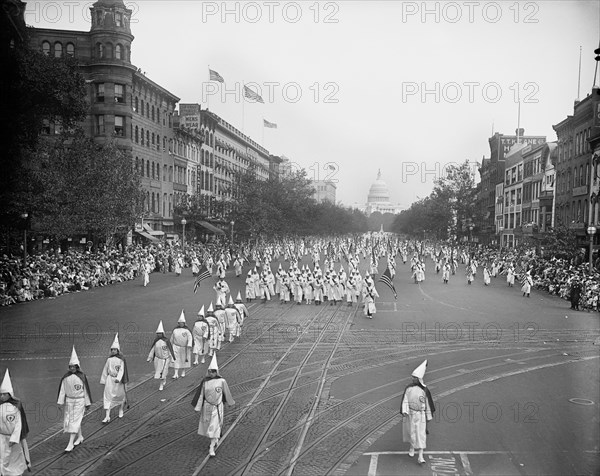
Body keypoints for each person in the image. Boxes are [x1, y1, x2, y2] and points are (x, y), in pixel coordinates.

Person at [191, 355, 235, 457]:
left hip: (217, 407)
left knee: (214, 426)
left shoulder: (222, 381)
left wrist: (230, 402)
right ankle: (215, 440)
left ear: (217, 372)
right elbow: (201, 395)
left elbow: (226, 392)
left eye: (213, 371)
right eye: (210, 371)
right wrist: (197, 407)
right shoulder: (205, 382)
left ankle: (211, 447)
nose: (211, 373)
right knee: (209, 426)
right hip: (207, 407)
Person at [57, 347, 92, 451]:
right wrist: (60, 402)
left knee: (74, 421)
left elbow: (86, 390)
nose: (72, 368)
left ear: (77, 367)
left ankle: (70, 443)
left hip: (79, 401)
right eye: (70, 367)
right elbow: (62, 390)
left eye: (74, 367)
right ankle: (80, 437)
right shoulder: (65, 377)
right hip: (69, 401)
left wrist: (87, 403)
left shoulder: (82, 377)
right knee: (73, 420)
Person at [401, 360, 435, 465]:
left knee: (421, 434)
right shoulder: (408, 389)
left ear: (419, 379)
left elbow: (428, 404)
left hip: (420, 415)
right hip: (411, 413)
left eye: (414, 377)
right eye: (412, 377)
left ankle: (420, 456)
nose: (412, 379)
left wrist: (428, 416)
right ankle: (412, 447)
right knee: (411, 432)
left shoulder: (424, 390)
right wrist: (405, 410)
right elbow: (405, 400)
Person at [0, 369, 31, 474]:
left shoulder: (16, 406)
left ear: (9, 394)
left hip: (12, 438)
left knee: (14, 458)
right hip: (2, 437)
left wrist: (14, 438)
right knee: (3, 459)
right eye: (1, 394)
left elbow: (19, 424)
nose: (2, 396)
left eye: (4, 394)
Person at [100, 334, 129, 423]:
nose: (113, 351)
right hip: (110, 380)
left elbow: (122, 370)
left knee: (120, 396)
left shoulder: (121, 360)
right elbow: (105, 369)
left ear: (118, 350)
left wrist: (119, 378)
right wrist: (104, 380)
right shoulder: (109, 360)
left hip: (118, 381)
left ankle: (120, 409)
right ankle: (107, 416)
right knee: (107, 396)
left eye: (115, 350)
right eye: (112, 350)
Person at [147, 320, 175, 391]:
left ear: (163, 333)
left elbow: (170, 350)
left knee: (163, 371)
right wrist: (150, 357)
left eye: (160, 333)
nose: (159, 335)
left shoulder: (166, 341)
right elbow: (153, 350)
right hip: (157, 359)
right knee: (159, 372)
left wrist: (172, 359)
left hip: (165, 359)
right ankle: (164, 379)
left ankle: (161, 384)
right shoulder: (156, 341)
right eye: (158, 333)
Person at [170, 310, 193, 379]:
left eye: (182, 323)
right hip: (176, 346)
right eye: (180, 323)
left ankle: (183, 371)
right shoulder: (175, 330)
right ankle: (176, 373)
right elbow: (172, 338)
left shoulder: (187, 330)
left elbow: (190, 337)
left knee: (183, 359)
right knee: (175, 359)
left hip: (184, 347)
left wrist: (189, 344)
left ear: (184, 323)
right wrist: (170, 345)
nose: (181, 324)